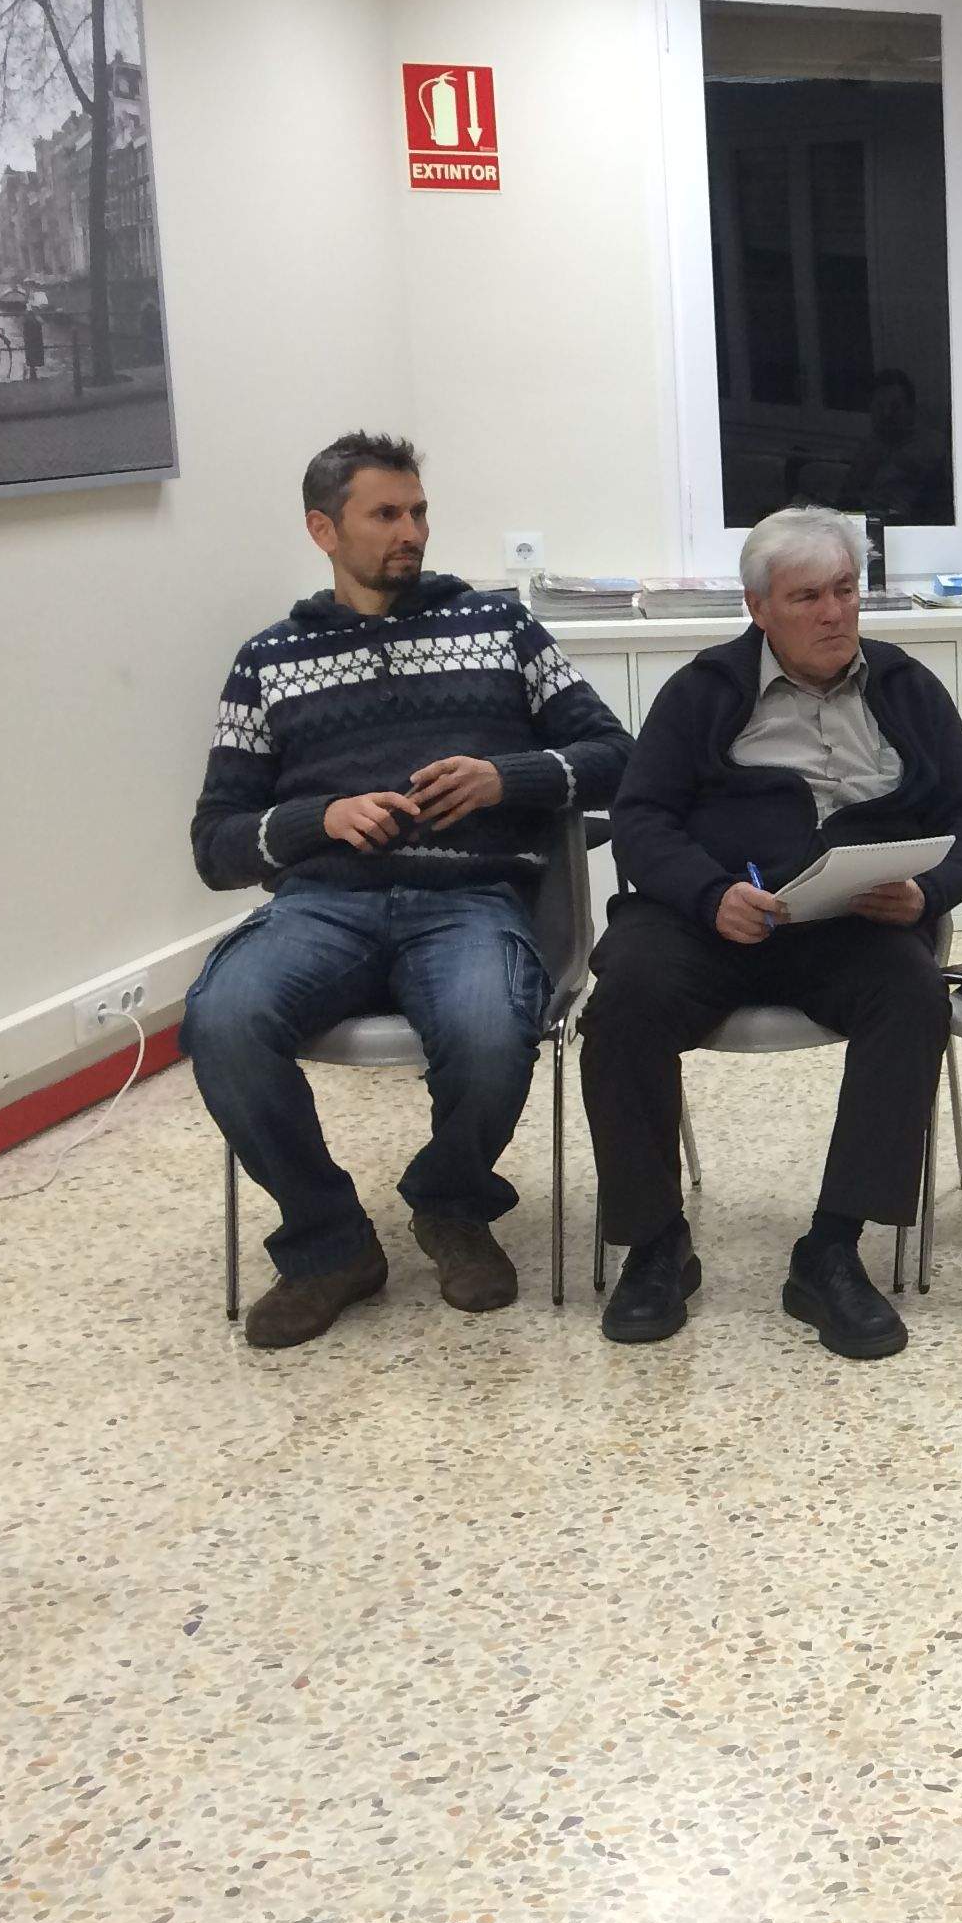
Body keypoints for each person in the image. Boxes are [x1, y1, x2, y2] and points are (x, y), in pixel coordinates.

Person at [183, 433, 633, 1349]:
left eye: (418, 512)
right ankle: (328, 1244)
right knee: (222, 1020)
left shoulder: (501, 630)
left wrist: (508, 778)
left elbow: (618, 756)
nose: (411, 532)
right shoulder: (268, 661)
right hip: (322, 906)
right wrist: (320, 819)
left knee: (485, 1026)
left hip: (468, 901)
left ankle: (451, 1204)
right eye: (385, 515)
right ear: (323, 529)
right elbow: (216, 844)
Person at [580, 506, 962, 1360]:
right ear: (758, 607)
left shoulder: (906, 687)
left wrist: (926, 893)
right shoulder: (703, 690)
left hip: (849, 923)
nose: (835, 613)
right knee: (624, 1002)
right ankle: (656, 1245)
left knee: (913, 996)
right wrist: (706, 892)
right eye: (808, 596)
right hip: (709, 920)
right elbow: (643, 817)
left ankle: (832, 1251)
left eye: (845, 591)